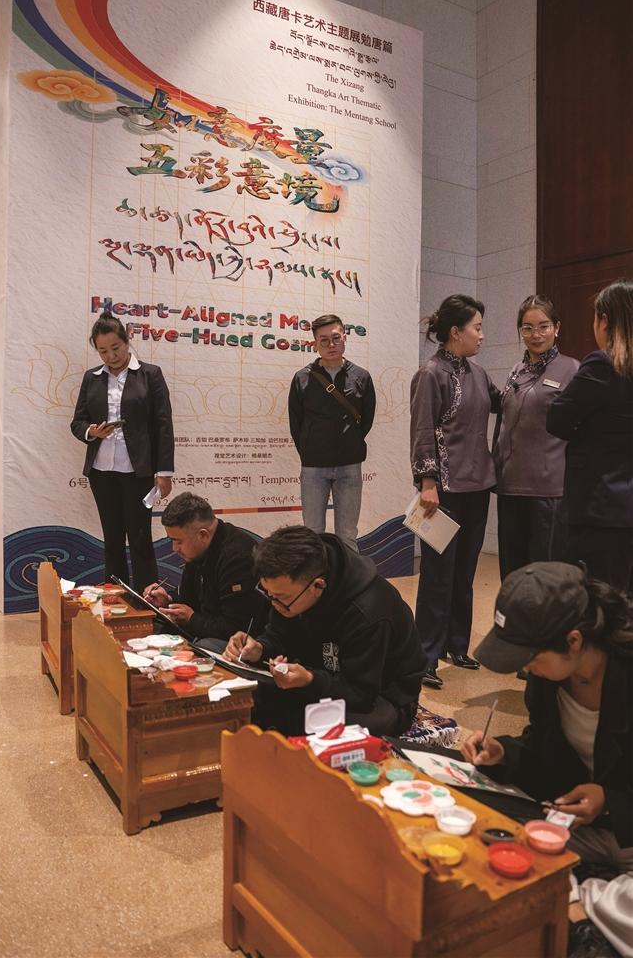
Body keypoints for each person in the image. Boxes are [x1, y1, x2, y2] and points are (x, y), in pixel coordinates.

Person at [463, 561, 633, 958]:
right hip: (586, 828)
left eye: (531, 657)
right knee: (492, 839)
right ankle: (580, 908)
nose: (526, 668)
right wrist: (504, 753)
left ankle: (576, 908)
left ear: (573, 641)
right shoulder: (548, 680)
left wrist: (611, 800)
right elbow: (547, 758)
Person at [223, 525, 426, 736]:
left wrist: (310, 680)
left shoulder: (368, 611)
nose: (274, 603)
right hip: (319, 676)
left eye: (280, 598)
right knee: (237, 688)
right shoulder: (292, 589)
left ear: (318, 586)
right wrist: (260, 649)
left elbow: (360, 693)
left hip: (381, 696)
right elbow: (278, 635)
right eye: (268, 594)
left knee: (311, 725)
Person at [410, 294, 500, 689]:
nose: (481, 335)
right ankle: (425, 656)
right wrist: (427, 482)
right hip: (442, 491)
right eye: (476, 328)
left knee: (464, 572)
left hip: (479, 486)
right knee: (437, 576)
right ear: (455, 332)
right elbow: (422, 428)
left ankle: (456, 645)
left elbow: (503, 403)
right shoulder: (430, 373)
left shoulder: (479, 373)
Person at [71, 313, 174, 592]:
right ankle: (116, 598)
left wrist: (164, 472)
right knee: (112, 538)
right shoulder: (92, 378)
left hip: (137, 471)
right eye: (103, 351)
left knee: (140, 538)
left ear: (127, 341)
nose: (111, 356)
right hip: (101, 471)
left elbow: (163, 425)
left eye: (115, 347)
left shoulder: (150, 374)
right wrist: (92, 431)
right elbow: (77, 422)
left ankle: (148, 598)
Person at [547, 280, 633, 591]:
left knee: (595, 598)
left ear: (604, 320)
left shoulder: (602, 364)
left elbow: (557, 420)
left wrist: (586, 426)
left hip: (598, 507)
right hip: (627, 507)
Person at [494, 295, 578, 579]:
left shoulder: (572, 369)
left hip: (549, 491)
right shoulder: (515, 372)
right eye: (528, 328)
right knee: (512, 574)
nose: (536, 335)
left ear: (557, 328)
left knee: (544, 577)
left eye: (543, 326)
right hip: (510, 487)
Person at [288, 314, 376, 552]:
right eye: (324, 340)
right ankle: (316, 575)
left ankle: (348, 576)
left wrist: (351, 442)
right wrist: (310, 449)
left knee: (347, 534)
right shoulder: (302, 378)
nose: (331, 345)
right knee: (313, 533)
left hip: (350, 465)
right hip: (313, 468)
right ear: (315, 344)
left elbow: (366, 420)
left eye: (336, 338)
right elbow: (296, 423)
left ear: (344, 338)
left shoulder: (361, 376)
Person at [144, 493, 268, 647]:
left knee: (204, 646)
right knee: (151, 629)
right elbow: (189, 597)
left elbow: (236, 628)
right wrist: (168, 599)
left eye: (178, 541)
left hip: (239, 643)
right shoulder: (198, 550)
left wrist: (192, 619)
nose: (174, 548)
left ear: (202, 535)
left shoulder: (238, 558)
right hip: (204, 629)